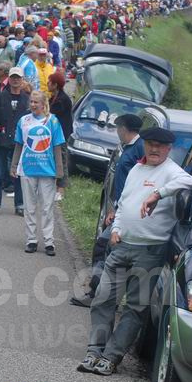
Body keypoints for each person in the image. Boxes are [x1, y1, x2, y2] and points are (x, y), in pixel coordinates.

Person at [79, 127, 192, 376]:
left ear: (168, 149)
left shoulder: (173, 172)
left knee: (135, 307)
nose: (154, 149)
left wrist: (157, 194)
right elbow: (123, 204)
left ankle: (111, 357)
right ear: (144, 145)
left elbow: (190, 182)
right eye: (150, 144)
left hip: (150, 250)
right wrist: (116, 228)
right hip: (121, 245)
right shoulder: (136, 169)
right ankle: (94, 352)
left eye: (160, 146)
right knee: (103, 299)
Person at [72, 114, 145, 308]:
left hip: (131, 214)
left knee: (105, 249)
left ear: (124, 128)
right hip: (121, 209)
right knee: (102, 248)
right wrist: (115, 207)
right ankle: (97, 293)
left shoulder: (140, 149)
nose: (117, 131)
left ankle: (99, 296)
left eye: (118, 127)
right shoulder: (129, 148)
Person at [10, 90, 65, 256]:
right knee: (30, 207)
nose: (33, 105)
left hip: (47, 170)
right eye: (31, 102)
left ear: (43, 104)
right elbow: (19, 144)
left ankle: (49, 241)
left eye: (36, 102)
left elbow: (57, 147)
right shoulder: (24, 121)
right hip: (27, 168)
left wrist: (59, 171)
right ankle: (31, 240)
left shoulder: (52, 121)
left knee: (47, 207)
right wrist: (14, 165)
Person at [0, 67, 30, 217]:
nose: (16, 80)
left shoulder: (27, 100)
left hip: (20, 144)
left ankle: (20, 204)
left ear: (22, 79)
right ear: (9, 79)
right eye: (13, 77)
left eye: (18, 77)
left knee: (18, 176)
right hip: (1, 140)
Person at [47, 71, 72, 202]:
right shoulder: (53, 97)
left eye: (49, 82)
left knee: (61, 160)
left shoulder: (62, 100)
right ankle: (53, 186)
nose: (47, 84)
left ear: (55, 85)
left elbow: (50, 113)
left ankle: (61, 190)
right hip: (54, 134)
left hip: (61, 135)